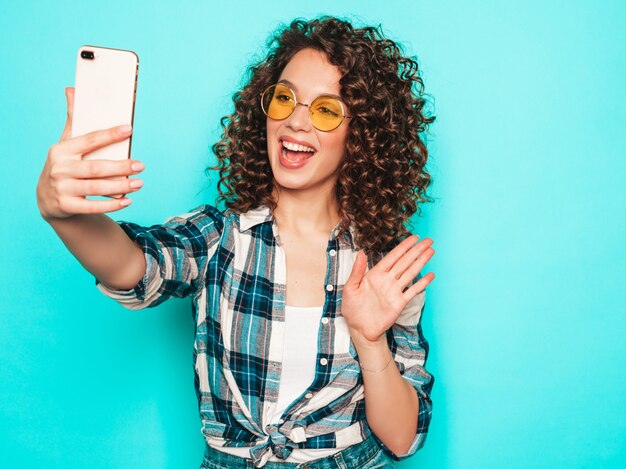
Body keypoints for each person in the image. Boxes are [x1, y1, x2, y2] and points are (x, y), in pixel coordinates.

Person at [36, 16, 436, 469]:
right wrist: (61, 213)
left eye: (325, 110)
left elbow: (402, 439)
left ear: (360, 135)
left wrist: (369, 339)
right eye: (285, 99)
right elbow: (133, 266)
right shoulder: (217, 237)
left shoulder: (387, 263)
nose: (296, 122)